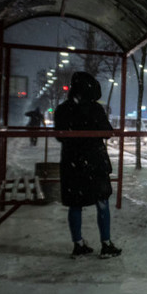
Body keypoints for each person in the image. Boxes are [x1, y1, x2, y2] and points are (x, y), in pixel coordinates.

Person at [54, 72, 122, 259]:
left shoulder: (63, 110)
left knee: (75, 205)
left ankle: (78, 244)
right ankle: (106, 244)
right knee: (102, 202)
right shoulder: (96, 109)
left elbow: (59, 135)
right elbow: (108, 133)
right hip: (95, 163)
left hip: (72, 163)